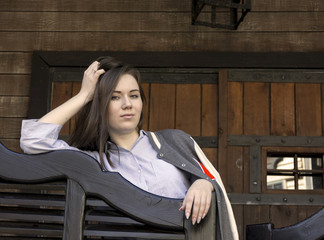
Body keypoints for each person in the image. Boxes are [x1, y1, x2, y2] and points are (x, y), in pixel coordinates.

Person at [20, 56, 238, 240]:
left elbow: (211, 179)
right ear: (100, 105)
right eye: (115, 97)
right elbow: (32, 141)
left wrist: (202, 183)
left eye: (134, 95)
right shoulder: (91, 161)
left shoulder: (174, 141)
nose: (128, 104)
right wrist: (84, 95)